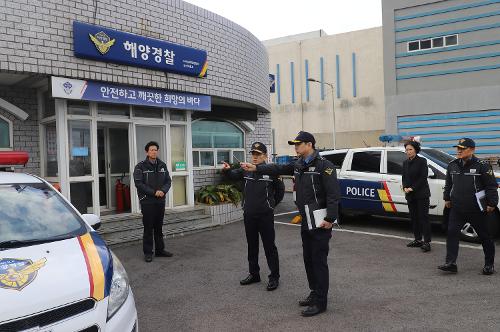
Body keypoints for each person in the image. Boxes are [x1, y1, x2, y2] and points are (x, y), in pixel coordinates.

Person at [241, 131, 340, 317]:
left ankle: (321, 302)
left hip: (320, 222)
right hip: (306, 220)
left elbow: (333, 194)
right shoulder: (299, 165)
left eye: (298, 144)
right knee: (308, 260)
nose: (295, 147)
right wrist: (256, 169)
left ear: (309, 145)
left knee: (318, 262)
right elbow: (277, 169)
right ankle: (314, 292)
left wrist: (330, 219)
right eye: (294, 144)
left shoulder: (324, 166)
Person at [222, 142, 284, 291]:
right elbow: (232, 175)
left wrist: (270, 205)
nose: (255, 157)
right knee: (252, 246)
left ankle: (274, 277)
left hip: (265, 216)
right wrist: (227, 170)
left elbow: (280, 191)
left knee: (270, 247)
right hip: (249, 215)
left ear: (265, 156)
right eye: (253, 154)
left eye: (258, 154)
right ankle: (254, 274)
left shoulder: (272, 172)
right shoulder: (246, 170)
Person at [439, 138, 498, 275]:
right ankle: (451, 263)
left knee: (485, 236)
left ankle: (489, 264)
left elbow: (491, 185)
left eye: (462, 149)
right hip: (457, 208)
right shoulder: (452, 165)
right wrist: (447, 198)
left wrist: (492, 203)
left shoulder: (482, 165)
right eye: (457, 148)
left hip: (476, 209)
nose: (458, 151)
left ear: (472, 150)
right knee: (452, 233)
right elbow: (449, 184)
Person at [133, 141, 173, 263]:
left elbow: (168, 181)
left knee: (159, 227)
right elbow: (139, 184)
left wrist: (163, 191)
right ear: (147, 152)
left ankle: (160, 250)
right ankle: (148, 252)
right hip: (147, 202)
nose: (154, 152)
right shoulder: (140, 167)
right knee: (148, 228)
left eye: (155, 150)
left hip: (160, 201)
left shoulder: (162, 165)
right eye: (151, 150)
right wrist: (154, 192)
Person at [402, 140, 432, 252]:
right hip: (410, 195)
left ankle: (427, 242)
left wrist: (412, 188)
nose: (408, 152)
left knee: (423, 218)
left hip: (421, 194)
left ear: (415, 150)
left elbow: (423, 177)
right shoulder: (405, 162)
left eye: (410, 149)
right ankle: (417, 239)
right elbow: (404, 177)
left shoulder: (422, 161)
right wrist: (405, 187)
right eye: (406, 150)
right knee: (414, 217)